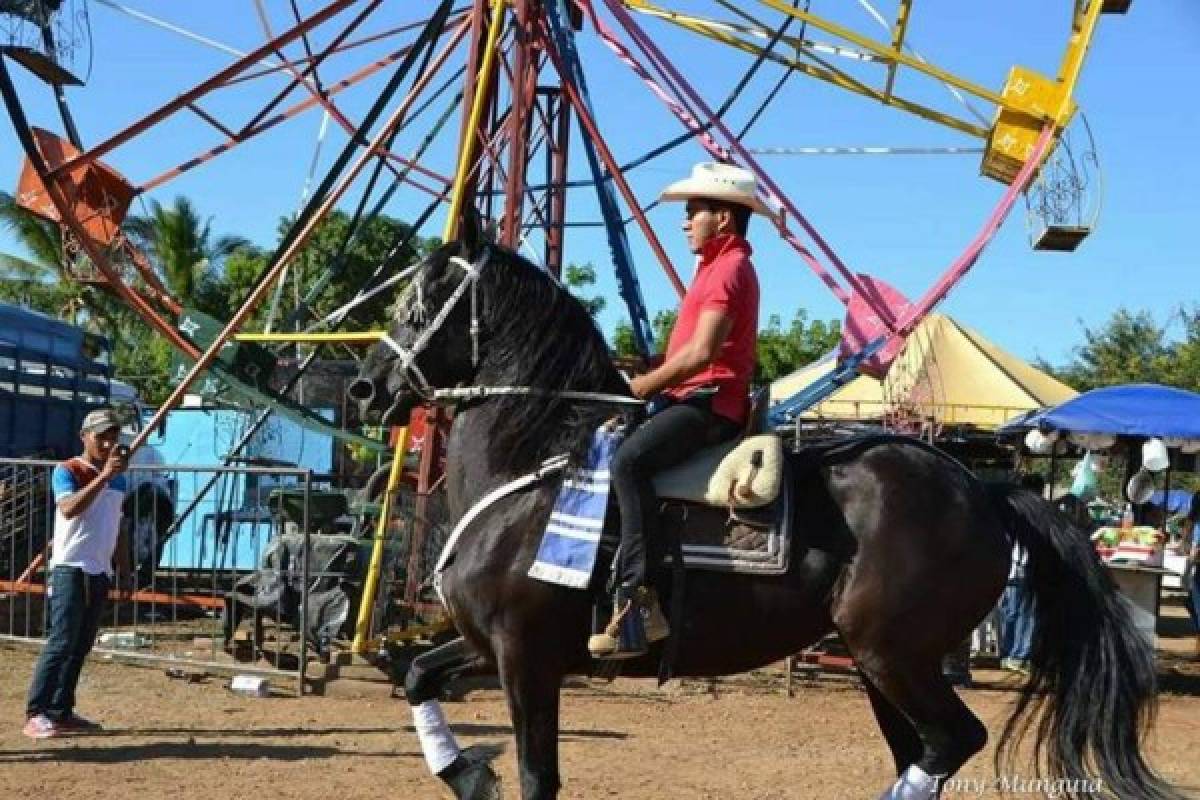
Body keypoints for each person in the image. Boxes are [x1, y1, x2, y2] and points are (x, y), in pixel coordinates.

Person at [588, 162, 765, 659]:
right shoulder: (715, 268)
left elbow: (701, 355)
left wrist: (640, 386)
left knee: (630, 461)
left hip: (711, 405)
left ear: (724, 218)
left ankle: (640, 602)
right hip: (694, 398)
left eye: (694, 212)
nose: (685, 222)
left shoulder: (728, 270)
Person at [23, 408, 130, 739]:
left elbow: (118, 522)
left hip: (99, 569)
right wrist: (103, 477)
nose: (109, 442)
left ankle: (61, 709)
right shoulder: (67, 470)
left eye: (113, 436)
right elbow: (69, 509)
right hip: (72, 567)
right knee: (61, 641)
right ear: (85, 437)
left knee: (81, 644)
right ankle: (36, 711)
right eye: (102, 436)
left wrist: (124, 568)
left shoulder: (120, 478)